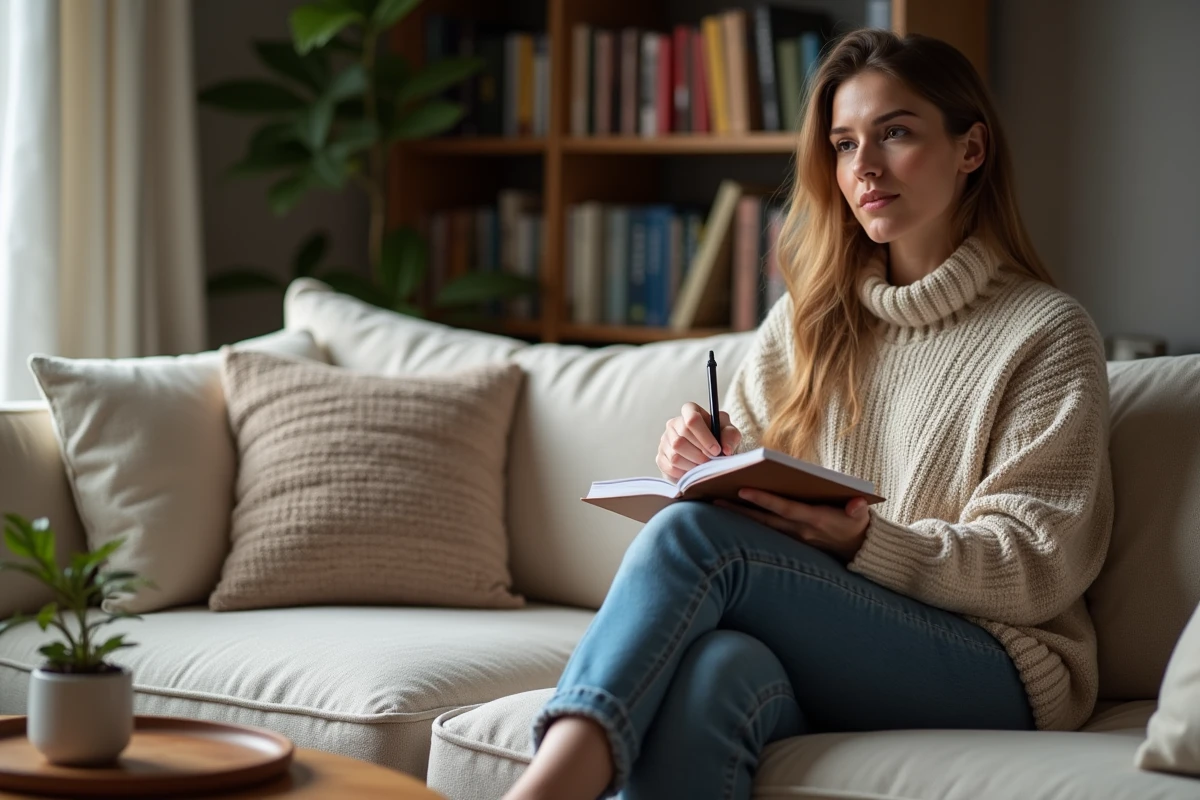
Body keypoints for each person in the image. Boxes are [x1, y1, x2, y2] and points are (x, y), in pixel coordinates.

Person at [503, 27, 1113, 800]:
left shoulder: (1046, 332)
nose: (864, 167)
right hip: (831, 640)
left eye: (894, 133)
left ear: (971, 149)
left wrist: (869, 540)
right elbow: (754, 488)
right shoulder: (808, 322)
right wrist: (710, 462)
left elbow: (1036, 566)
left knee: (693, 538)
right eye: (843, 142)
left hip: (997, 664)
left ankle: (544, 787)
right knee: (718, 673)